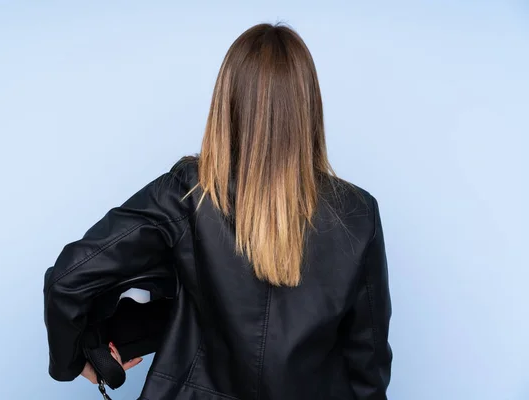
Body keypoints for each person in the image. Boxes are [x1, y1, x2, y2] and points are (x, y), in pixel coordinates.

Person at [43, 22, 392, 400]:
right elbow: (367, 366)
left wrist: (73, 362)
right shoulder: (358, 214)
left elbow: (68, 279)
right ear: (309, 105)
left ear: (227, 101)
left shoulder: (188, 192)